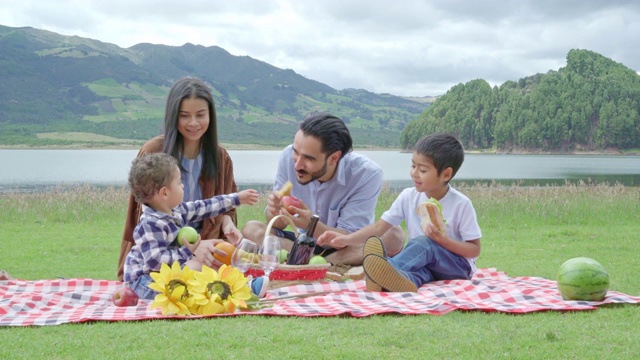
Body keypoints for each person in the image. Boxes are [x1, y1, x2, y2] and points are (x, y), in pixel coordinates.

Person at [317, 133, 482, 292]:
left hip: (457, 267)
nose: (414, 173)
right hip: (428, 266)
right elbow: (379, 228)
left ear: (446, 174)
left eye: (423, 170)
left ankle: (384, 268)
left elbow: (474, 250)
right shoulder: (408, 197)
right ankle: (395, 281)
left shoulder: (461, 204)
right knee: (416, 273)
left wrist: (443, 241)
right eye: (413, 165)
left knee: (425, 243)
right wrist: (346, 239)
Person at [241, 111, 405, 265]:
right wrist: (275, 212)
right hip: (298, 240)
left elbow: (347, 237)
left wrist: (311, 224)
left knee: (394, 235)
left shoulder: (366, 174)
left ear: (334, 158)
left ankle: (316, 263)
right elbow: (277, 224)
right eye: (296, 152)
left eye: (308, 158)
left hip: (346, 245)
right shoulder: (287, 157)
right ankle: (317, 262)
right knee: (252, 229)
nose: (297, 164)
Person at [117, 77, 239, 281]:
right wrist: (193, 247)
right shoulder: (153, 151)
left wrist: (227, 222)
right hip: (166, 252)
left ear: (211, 116)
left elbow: (226, 210)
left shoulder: (221, 158)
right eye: (184, 116)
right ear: (173, 116)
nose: (193, 123)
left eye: (200, 115)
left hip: (208, 247)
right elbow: (138, 217)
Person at [123, 153, 260, 299]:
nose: (182, 185)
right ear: (164, 193)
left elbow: (205, 206)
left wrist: (235, 199)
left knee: (200, 267)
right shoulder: (150, 225)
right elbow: (156, 262)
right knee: (194, 276)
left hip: (166, 275)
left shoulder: (177, 211)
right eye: (179, 182)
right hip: (144, 281)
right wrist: (187, 251)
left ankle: (239, 286)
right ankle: (231, 290)